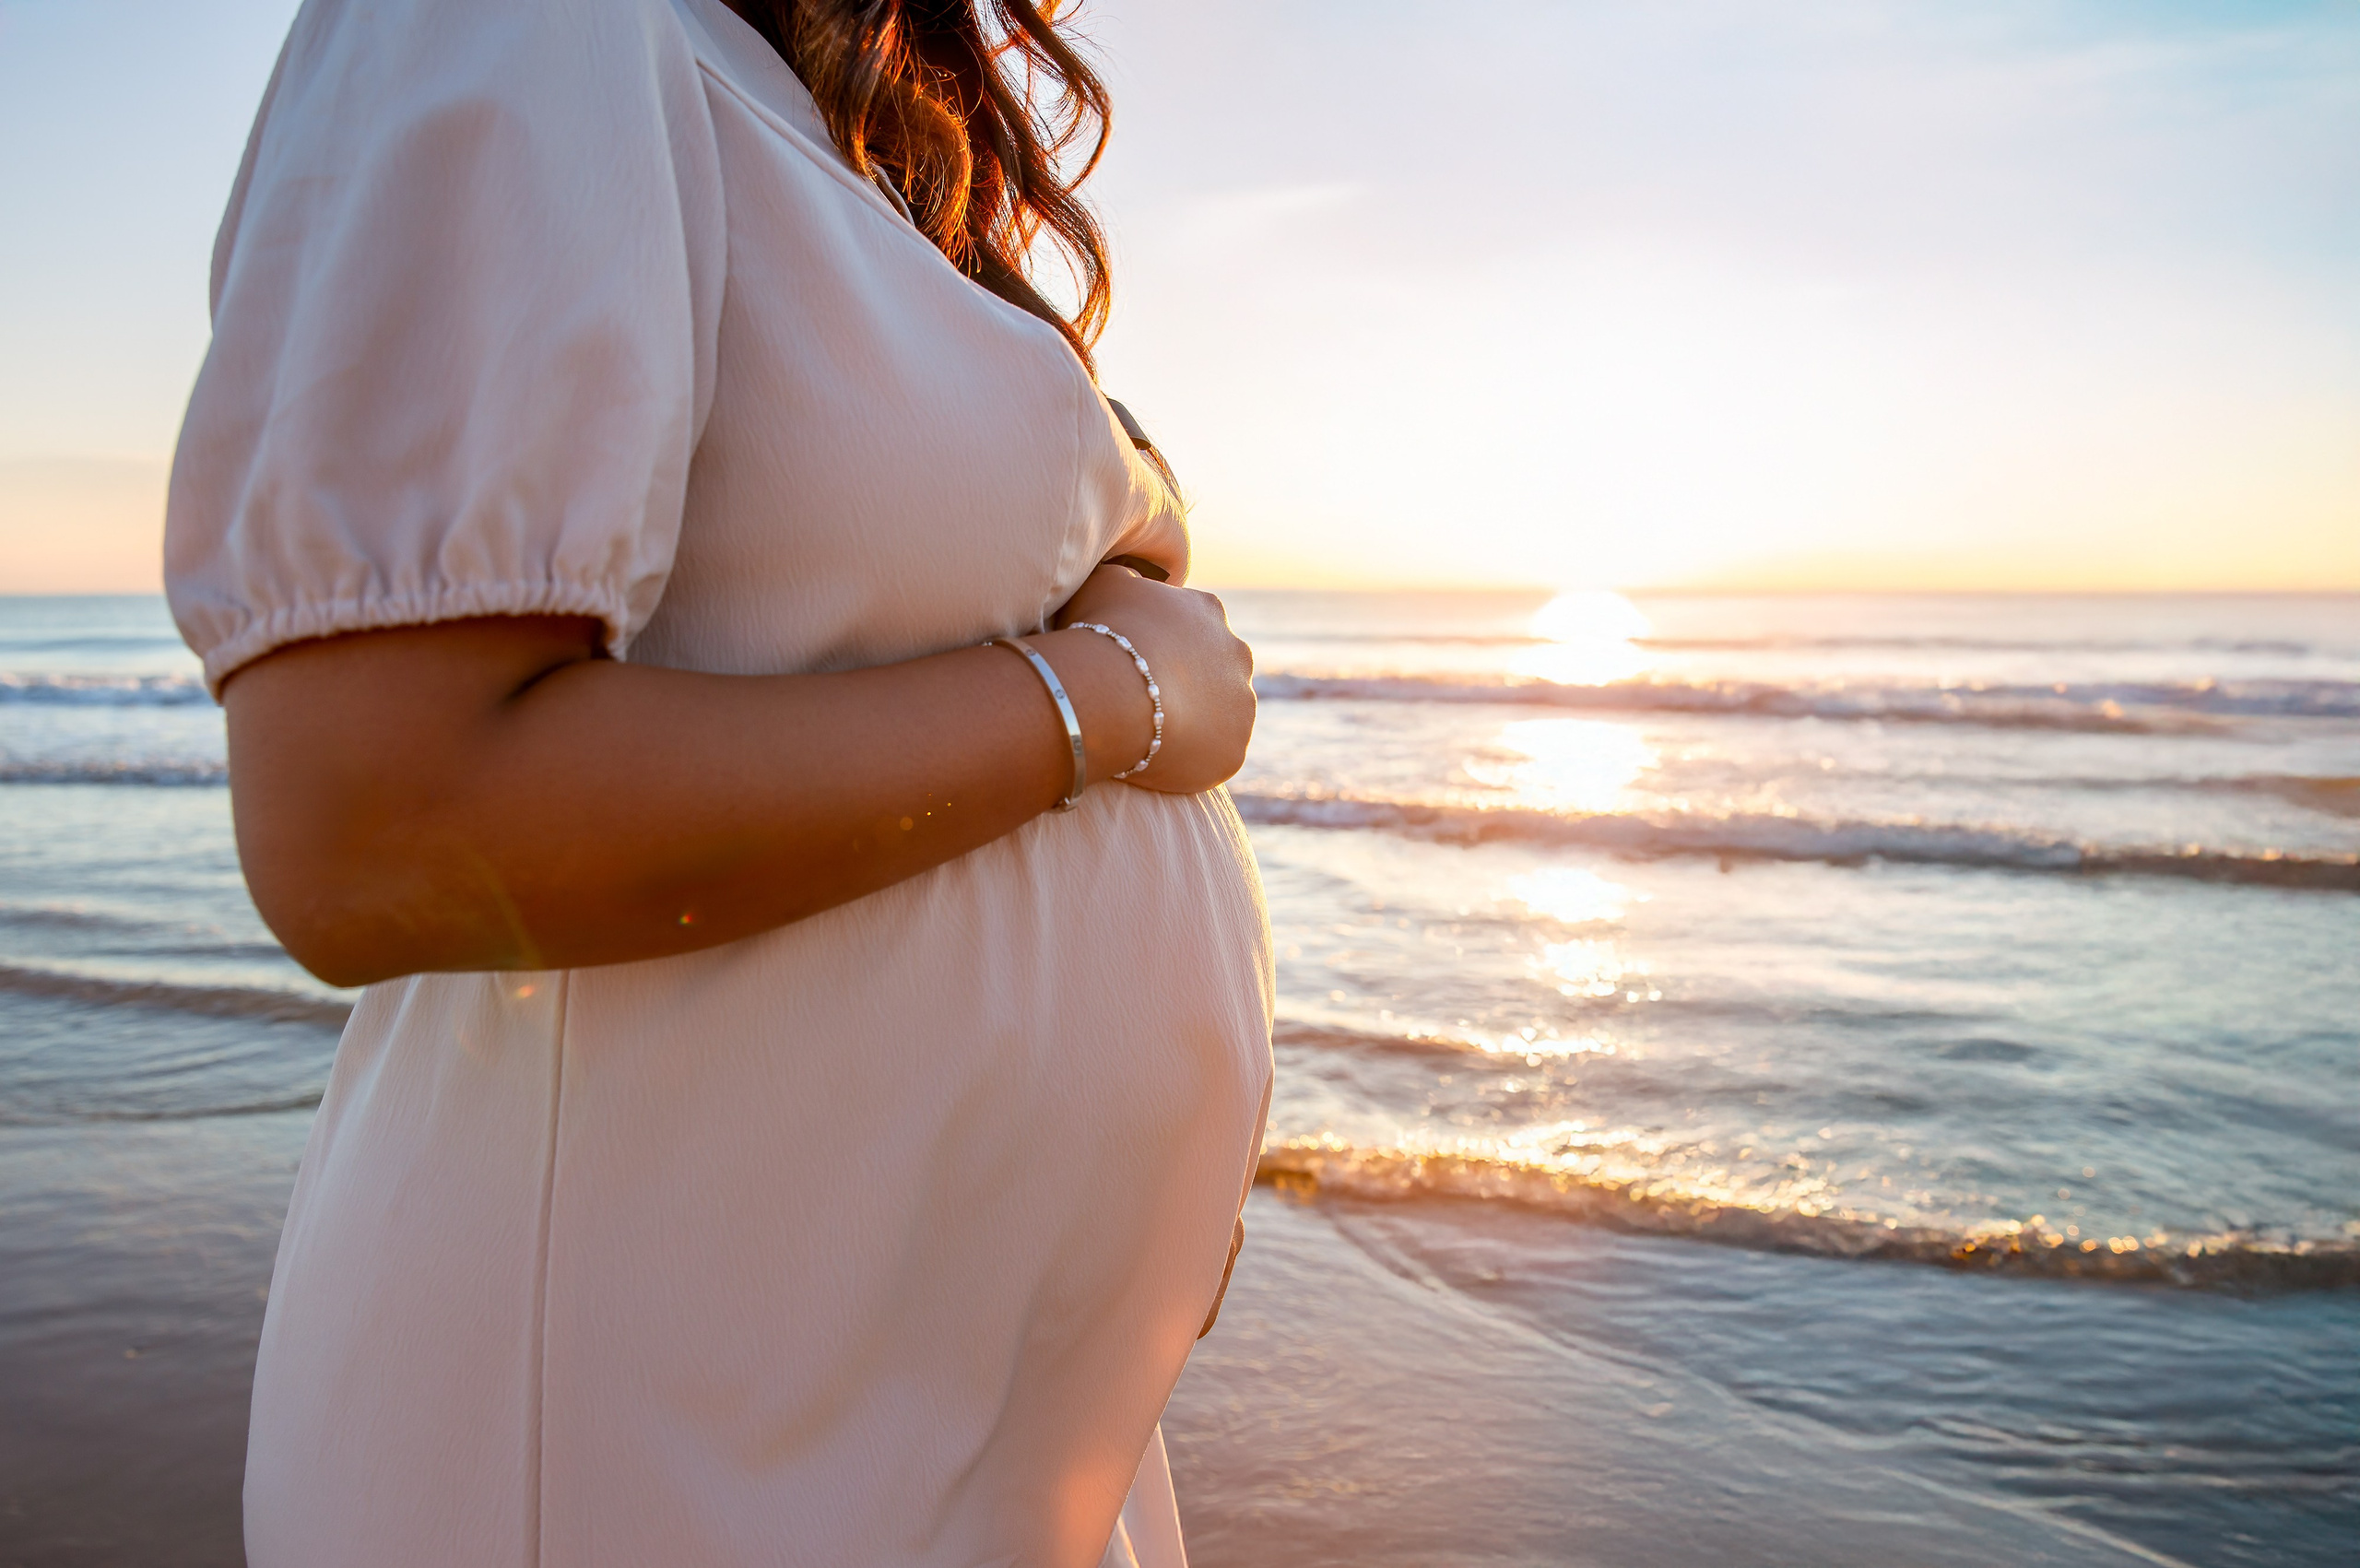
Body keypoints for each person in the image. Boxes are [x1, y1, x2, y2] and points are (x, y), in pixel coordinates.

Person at [160, 0, 1275, 1562]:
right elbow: (376, 817)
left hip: (944, 1420)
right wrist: (1114, 698)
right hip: (658, 1451)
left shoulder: (806, 123)